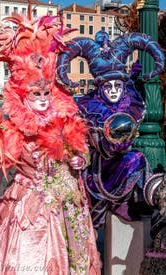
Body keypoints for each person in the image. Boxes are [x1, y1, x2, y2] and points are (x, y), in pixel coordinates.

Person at [0, 6, 101, 275]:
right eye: (34, 93)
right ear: (21, 93)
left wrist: (79, 159)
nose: (41, 97)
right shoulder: (12, 123)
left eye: (45, 92)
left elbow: (82, 151)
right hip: (26, 207)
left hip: (68, 206)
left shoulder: (66, 118)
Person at [56, 30, 165, 228]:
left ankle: (146, 199)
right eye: (108, 86)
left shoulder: (130, 105)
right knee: (90, 227)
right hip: (97, 172)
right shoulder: (90, 110)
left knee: (137, 158)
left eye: (118, 85)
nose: (114, 90)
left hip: (121, 164)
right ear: (100, 88)